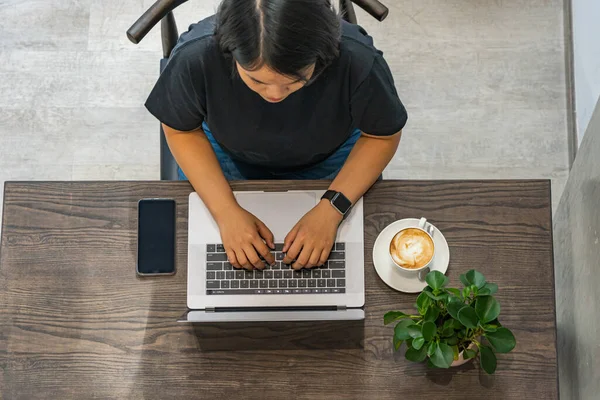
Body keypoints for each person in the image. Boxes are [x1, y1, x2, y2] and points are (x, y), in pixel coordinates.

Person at [145, 0, 407, 272]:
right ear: (227, 49)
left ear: (326, 52)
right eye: (256, 80)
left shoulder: (357, 58)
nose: (274, 95)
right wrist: (225, 213)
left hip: (331, 155)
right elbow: (180, 129)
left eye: (295, 80)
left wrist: (332, 209)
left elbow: (381, 136)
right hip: (227, 153)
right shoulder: (196, 55)